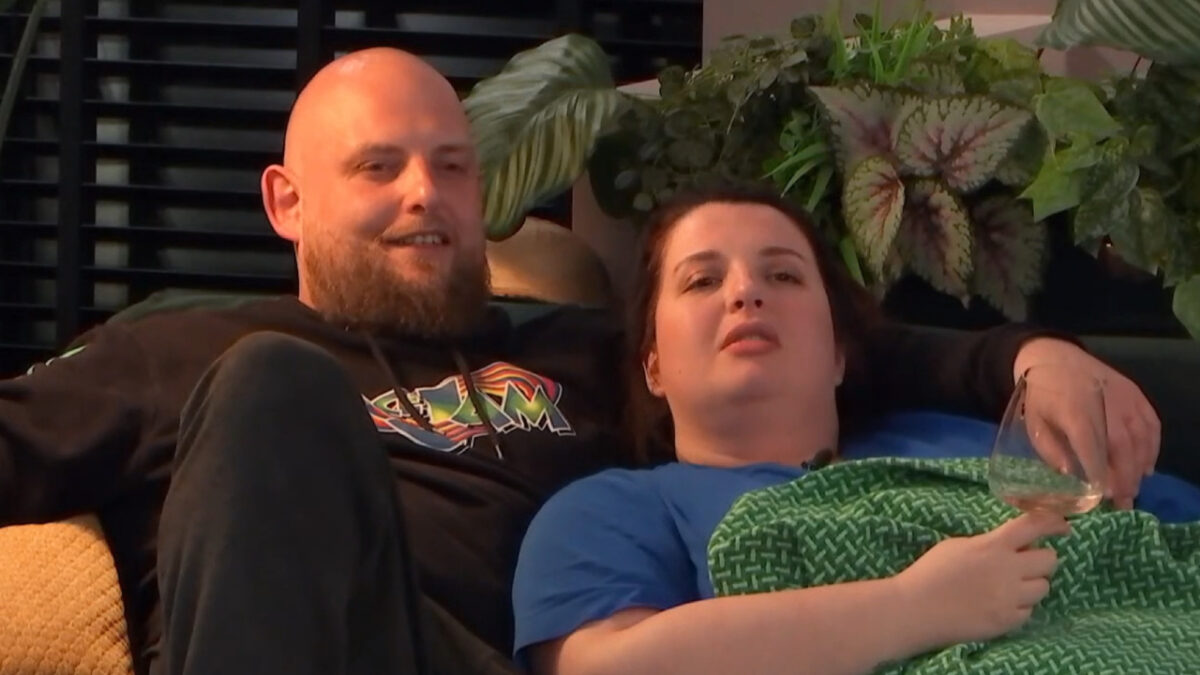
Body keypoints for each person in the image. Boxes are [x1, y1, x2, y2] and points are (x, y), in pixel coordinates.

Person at [0, 48, 1158, 675]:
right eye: (380, 168)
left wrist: (1034, 356)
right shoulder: (178, 354)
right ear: (286, 202)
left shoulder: (576, 350)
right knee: (272, 382)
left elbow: (841, 349)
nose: (427, 195)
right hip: (351, 645)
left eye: (454, 165)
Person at [510, 185, 1200, 675]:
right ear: (654, 366)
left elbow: (1166, 544)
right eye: (701, 282)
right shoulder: (614, 509)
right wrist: (912, 607)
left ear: (839, 351)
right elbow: (604, 665)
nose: (745, 292)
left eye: (783, 274)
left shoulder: (975, 438)